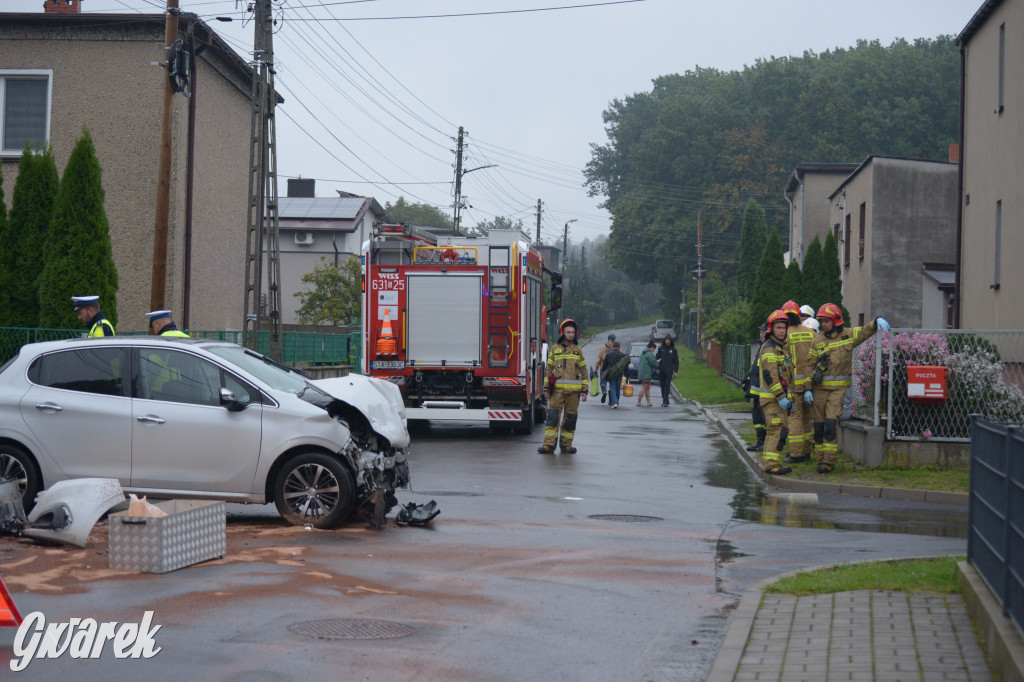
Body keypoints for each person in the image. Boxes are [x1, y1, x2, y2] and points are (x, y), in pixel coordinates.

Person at [809, 303, 890, 473]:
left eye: (826, 321)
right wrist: (808, 387)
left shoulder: (847, 335)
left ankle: (829, 462)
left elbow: (863, 331)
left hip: (838, 391)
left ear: (836, 321)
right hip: (819, 390)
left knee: (831, 424)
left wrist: (876, 322)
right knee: (818, 427)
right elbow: (808, 366)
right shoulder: (817, 341)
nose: (823, 324)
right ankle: (819, 459)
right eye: (822, 321)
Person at [538, 318, 588, 454]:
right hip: (557, 392)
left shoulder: (578, 351)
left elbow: (584, 372)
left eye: (573, 332)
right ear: (562, 333)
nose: (571, 335)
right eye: (568, 332)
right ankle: (549, 445)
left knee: (570, 419)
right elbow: (548, 371)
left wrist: (585, 391)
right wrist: (546, 388)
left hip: (574, 393)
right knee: (553, 418)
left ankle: (566, 445)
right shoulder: (555, 349)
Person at [758, 309, 794, 475]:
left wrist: (790, 397)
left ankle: (773, 462)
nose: (781, 330)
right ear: (771, 329)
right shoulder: (769, 348)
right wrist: (781, 397)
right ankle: (771, 465)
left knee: (781, 431)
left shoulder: (782, 348)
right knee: (776, 431)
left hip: (780, 399)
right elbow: (770, 375)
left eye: (783, 328)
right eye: (778, 327)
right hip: (772, 399)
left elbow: (788, 374)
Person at [781, 300, 816, 465]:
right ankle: (808, 451)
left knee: (794, 419)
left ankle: (796, 454)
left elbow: (783, 362)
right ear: (799, 315)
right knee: (807, 419)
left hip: (793, 386)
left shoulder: (784, 336)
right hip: (810, 385)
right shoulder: (811, 333)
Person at [743, 324, 770, 451]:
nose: (761, 334)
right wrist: (748, 380)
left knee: (765, 418)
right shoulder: (760, 347)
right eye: (761, 332)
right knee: (757, 417)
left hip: (766, 391)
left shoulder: (770, 347)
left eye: (764, 332)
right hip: (757, 390)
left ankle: (766, 443)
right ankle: (760, 441)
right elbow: (755, 367)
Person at [601, 340, 626, 408]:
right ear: (619, 347)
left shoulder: (609, 354)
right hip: (619, 374)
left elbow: (605, 364)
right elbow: (625, 366)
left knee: (612, 387)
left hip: (611, 374)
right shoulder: (622, 355)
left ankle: (615, 402)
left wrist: (603, 370)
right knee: (618, 388)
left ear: (613, 347)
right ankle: (616, 401)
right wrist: (628, 375)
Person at [654, 336, 679, 406]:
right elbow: (656, 359)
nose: (667, 341)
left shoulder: (673, 350)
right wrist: (657, 368)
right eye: (666, 340)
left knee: (667, 385)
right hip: (662, 370)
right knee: (662, 385)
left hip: (669, 371)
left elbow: (676, 361)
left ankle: (665, 401)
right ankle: (665, 400)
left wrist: (675, 371)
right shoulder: (661, 349)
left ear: (670, 341)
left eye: (668, 340)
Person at [595, 333, 616, 403]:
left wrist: (596, 368)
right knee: (612, 383)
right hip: (612, 369)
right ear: (614, 339)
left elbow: (599, 358)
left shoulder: (603, 347)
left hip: (603, 368)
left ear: (608, 339)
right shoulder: (616, 347)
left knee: (603, 382)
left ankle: (604, 393)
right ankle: (610, 399)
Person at [636, 340, 658, 407]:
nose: (654, 350)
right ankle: (639, 402)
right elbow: (653, 363)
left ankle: (648, 402)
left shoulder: (643, 353)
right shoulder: (649, 354)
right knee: (644, 387)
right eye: (654, 349)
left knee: (647, 388)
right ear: (651, 348)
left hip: (644, 373)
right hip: (646, 373)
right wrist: (658, 364)